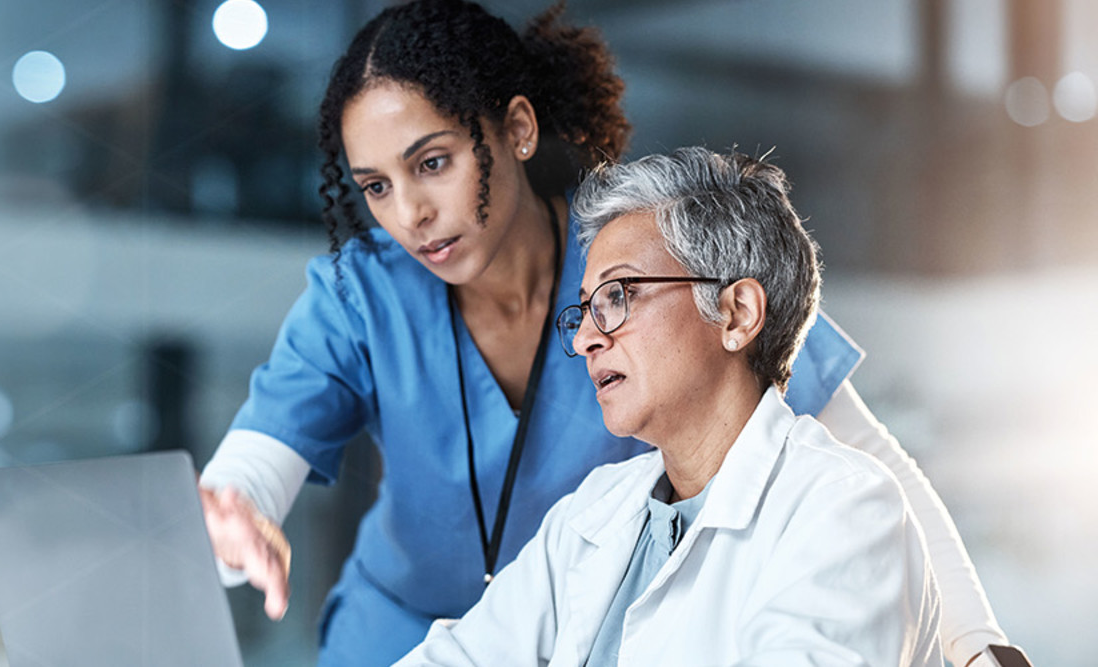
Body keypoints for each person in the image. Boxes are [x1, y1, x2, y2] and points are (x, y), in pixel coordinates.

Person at [195, 1, 1012, 665]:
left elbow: (872, 465)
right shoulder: (362, 291)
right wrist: (234, 513)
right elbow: (257, 462)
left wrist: (978, 646)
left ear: (515, 129)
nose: (409, 213)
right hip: (401, 631)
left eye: (433, 162)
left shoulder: (644, 257)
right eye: (376, 184)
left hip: (581, 630)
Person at [393, 146, 940, 666]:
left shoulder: (843, 510)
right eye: (583, 309)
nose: (585, 338)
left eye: (618, 295)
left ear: (736, 314)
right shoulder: (592, 514)